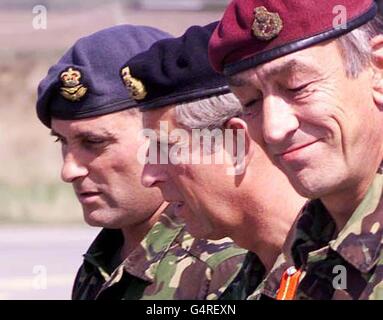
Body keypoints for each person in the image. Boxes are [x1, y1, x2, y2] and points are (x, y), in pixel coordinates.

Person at [35, 25, 247, 300]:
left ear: (159, 136)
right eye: (62, 141)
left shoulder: (222, 268)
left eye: (94, 142)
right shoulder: (104, 258)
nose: (69, 170)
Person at [209, 0, 383, 299]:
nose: (273, 130)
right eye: (250, 102)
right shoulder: (303, 249)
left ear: (377, 69)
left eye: (297, 86)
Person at [121, 22, 306, 299]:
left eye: (166, 148)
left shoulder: (352, 273)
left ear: (235, 145)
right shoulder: (244, 281)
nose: (149, 176)